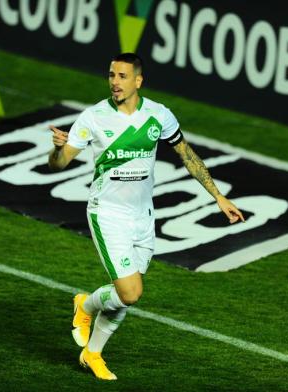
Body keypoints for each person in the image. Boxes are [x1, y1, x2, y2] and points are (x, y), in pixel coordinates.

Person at [48, 53, 245, 381]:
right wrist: (57, 148)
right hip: (107, 214)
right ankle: (85, 307)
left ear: (138, 81)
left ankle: (92, 353)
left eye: (122, 76)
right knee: (130, 292)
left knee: (126, 298)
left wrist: (218, 197)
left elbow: (187, 155)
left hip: (144, 217)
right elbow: (58, 164)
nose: (114, 81)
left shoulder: (159, 115)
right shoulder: (93, 118)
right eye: (111, 74)